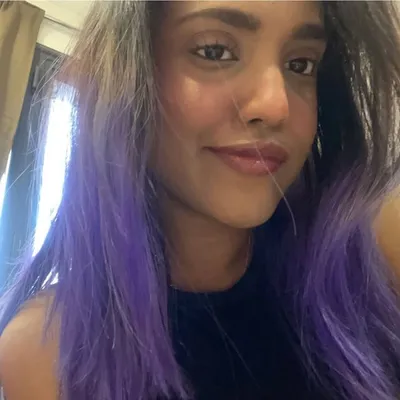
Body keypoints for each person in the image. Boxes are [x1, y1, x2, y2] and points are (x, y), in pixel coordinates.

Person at [1, 1, 400, 399]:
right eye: (214, 51)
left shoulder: (377, 258)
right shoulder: (49, 351)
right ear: (125, 77)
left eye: (300, 64)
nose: (276, 104)